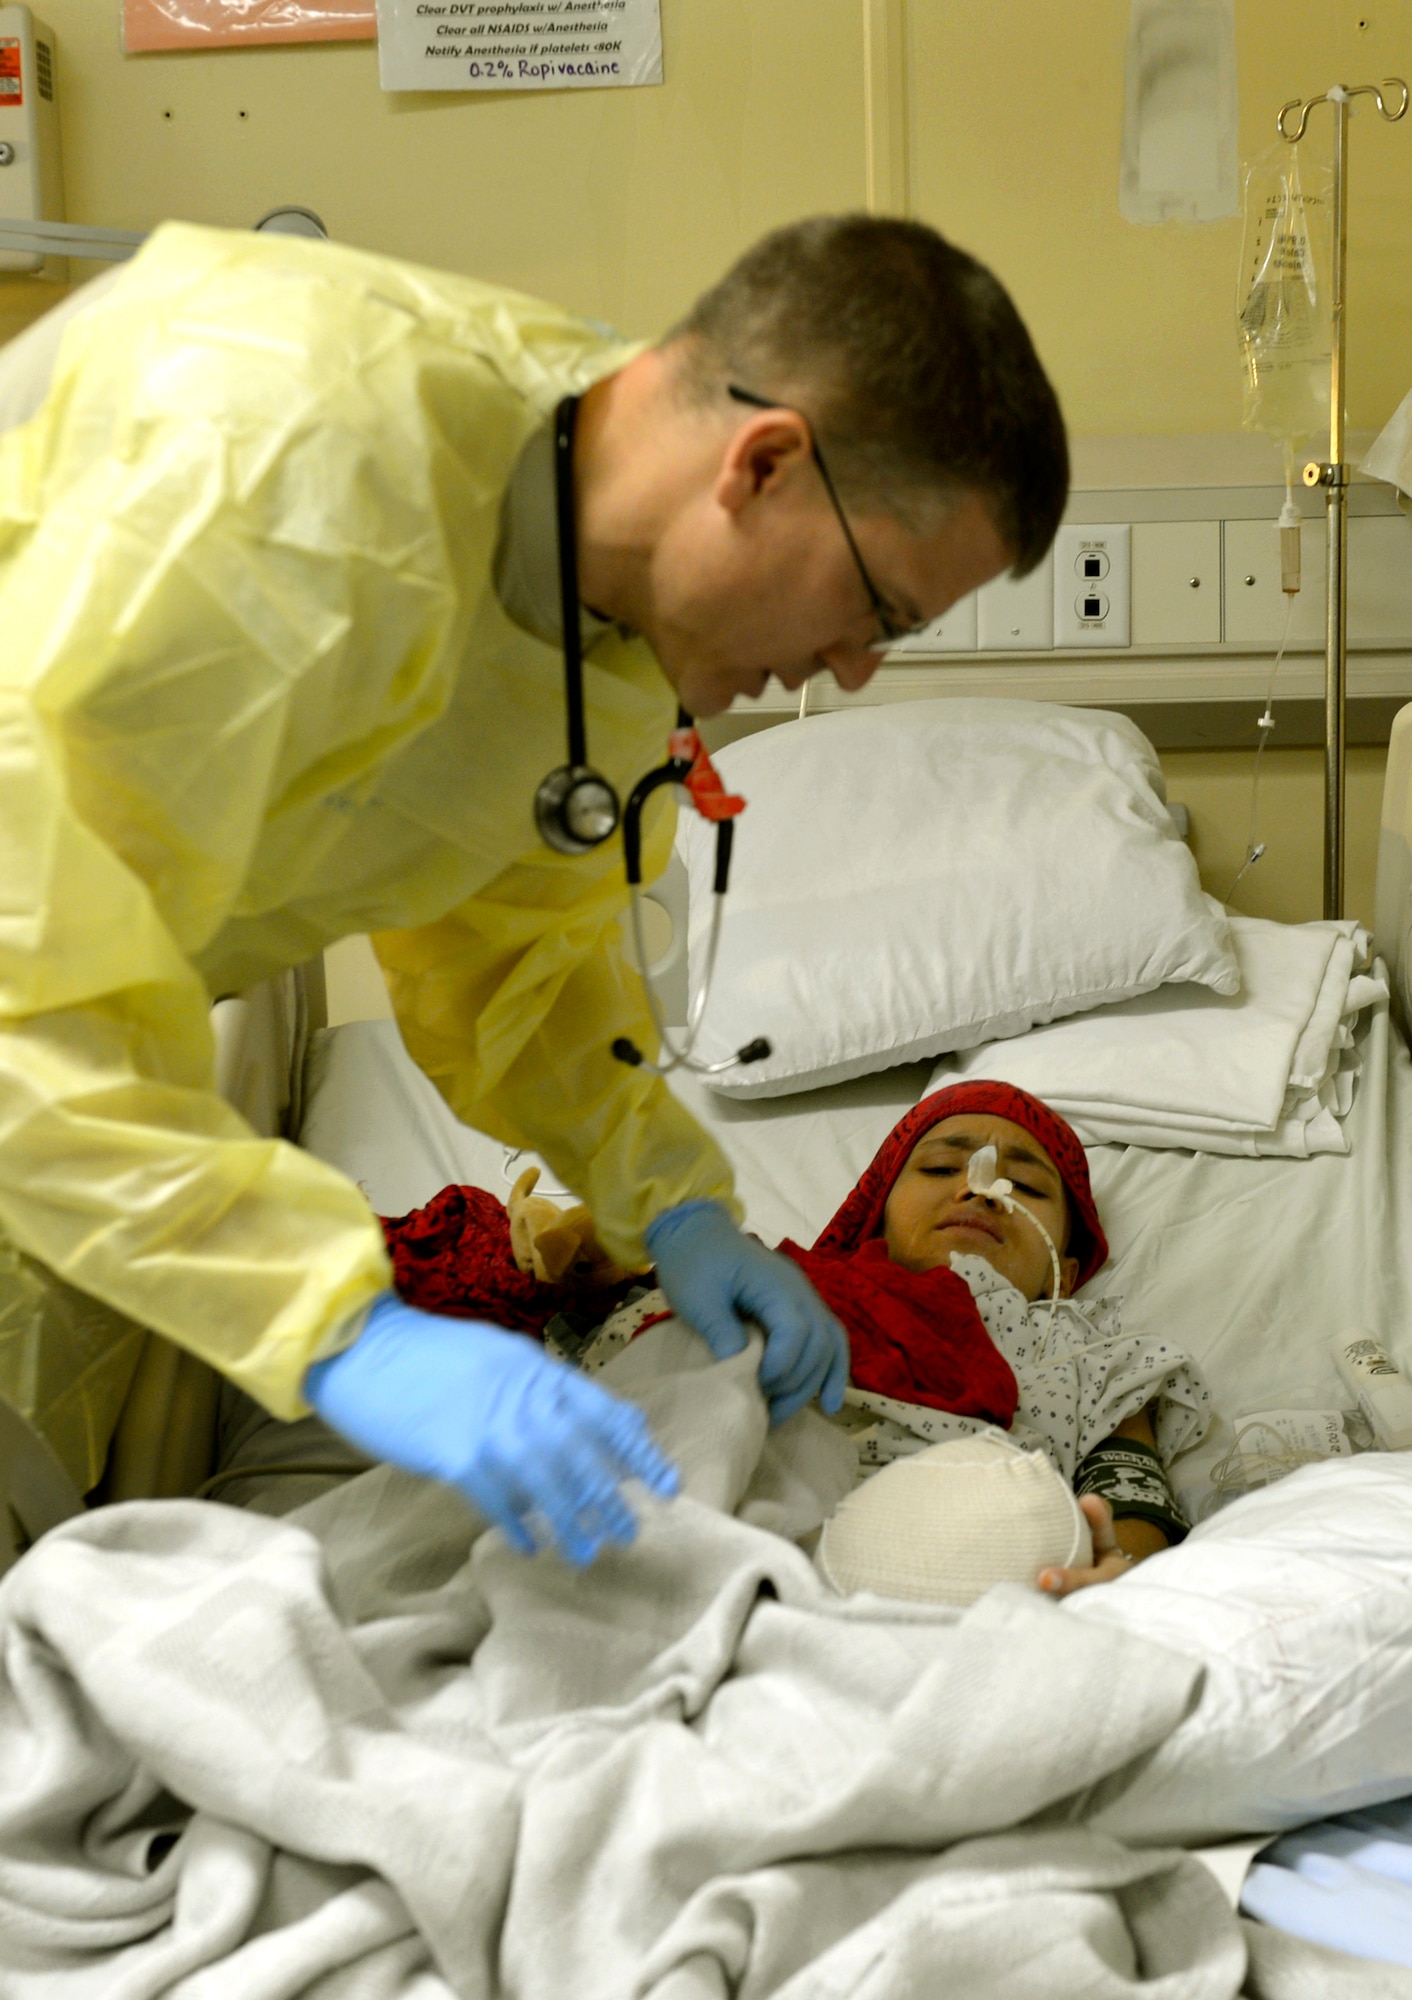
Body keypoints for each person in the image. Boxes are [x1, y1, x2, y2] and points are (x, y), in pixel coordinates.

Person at [0, 212, 1068, 1565]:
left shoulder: (603, 630)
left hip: (61, 1124)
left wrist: (671, 1200)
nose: (853, 668)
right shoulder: (280, 458)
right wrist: (332, 1322)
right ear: (767, 464)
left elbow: (515, 961)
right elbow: (19, 953)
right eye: (887, 611)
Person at [769, 1082, 1209, 1594]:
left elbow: (1131, 1490)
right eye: (938, 1169)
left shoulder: (1087, 1350)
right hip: (776, 1500)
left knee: (1010, 1502)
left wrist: (1122, 1570)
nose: (979, 1189)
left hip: (962, 1540)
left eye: (1024, 1185)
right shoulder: (794, 1287)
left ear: (1062, 1276)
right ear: (875, 1226)